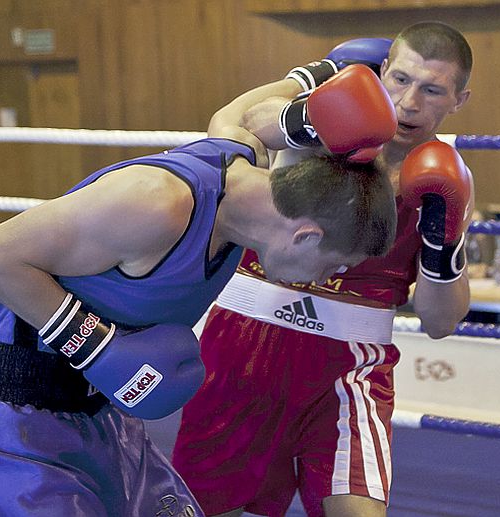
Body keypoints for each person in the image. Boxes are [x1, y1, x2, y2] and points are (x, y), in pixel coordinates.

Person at [0, 64, 400, 517]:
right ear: (306, 236)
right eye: (334, 264)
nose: (322, 278)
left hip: (109, 427)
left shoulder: (242, 159)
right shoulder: (154, 202)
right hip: (18, 433)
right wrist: (97, 348)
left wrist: (321, 76)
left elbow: (241, 114)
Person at [172, 22, 474, 517]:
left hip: (350, 373)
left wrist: (445, 241)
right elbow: (231, 125)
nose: (409, 102)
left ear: (459, 100)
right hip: (242, 349)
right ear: (381, 71)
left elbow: (441, 322)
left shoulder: (446, 180)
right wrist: (314, 84)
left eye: (432, 90)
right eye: (400, 80)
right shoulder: (324, 131)